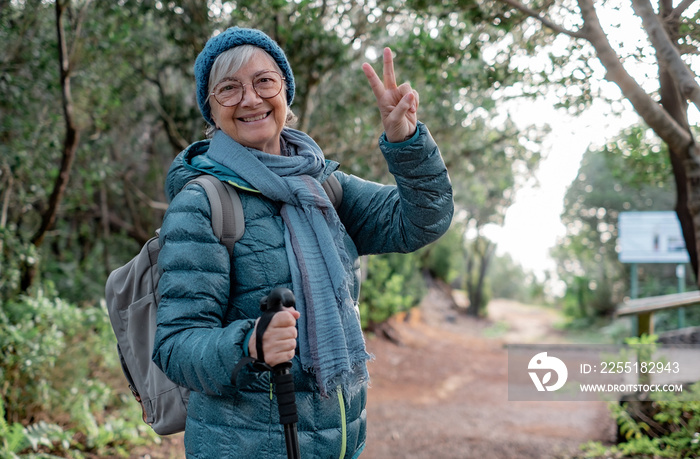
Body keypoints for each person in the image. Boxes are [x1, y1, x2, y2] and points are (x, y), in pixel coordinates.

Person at [152, 26, 453, 458]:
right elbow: (175, 344)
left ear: (285, 94)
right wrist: (249, 344)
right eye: (229, 89)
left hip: (337, 442)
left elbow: (422, 221)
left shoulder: (324, 188)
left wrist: (406, 143)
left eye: (264, 81)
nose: (251, 98)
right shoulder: (202, 203)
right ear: (211, 109)